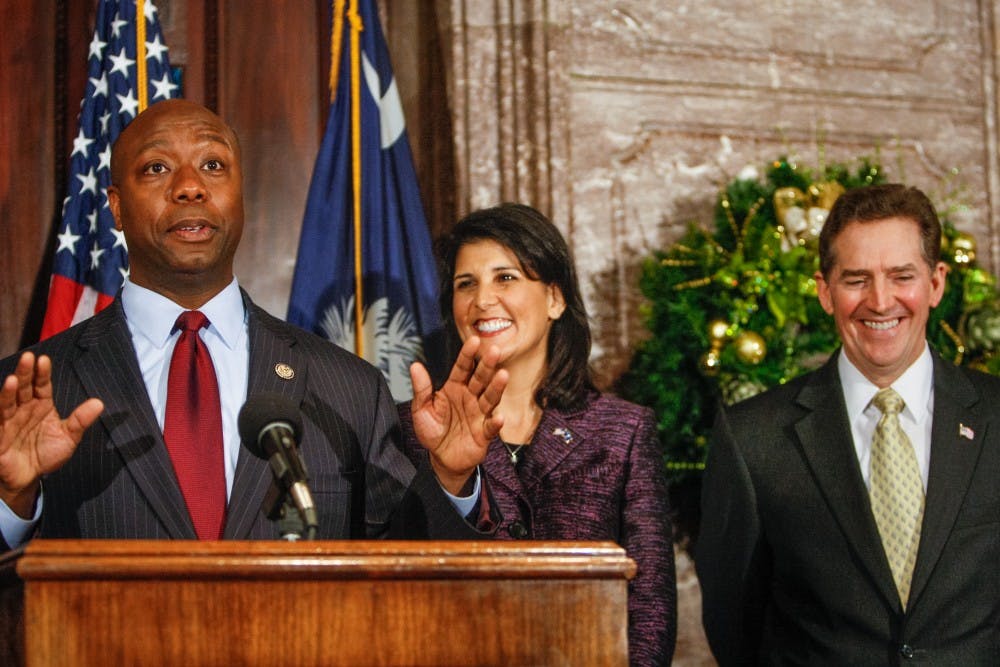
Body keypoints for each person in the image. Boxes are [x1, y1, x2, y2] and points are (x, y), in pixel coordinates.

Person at [0, 99, 506, 546]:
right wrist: (11, 500)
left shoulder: (349, 388)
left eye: (213, 165)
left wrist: (449, 477)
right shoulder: (29, 394)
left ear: (241, 194)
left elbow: (401, 575)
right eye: (157, 168)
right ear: (115, 206)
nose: (191, 187)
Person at [696, 183, 1000, 664]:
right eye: (857, 279)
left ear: (936, 283)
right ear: (824, 290)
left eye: (902, 276)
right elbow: (735, 624)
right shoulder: (753, 437)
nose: (880, 302)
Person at [400, 203, 676, 665]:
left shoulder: (622, 431)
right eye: (466, 284)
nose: (483, 300)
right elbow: (393, 590)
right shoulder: (412, 429)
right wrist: (450, 478)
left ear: (555, 298)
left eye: (505, 278)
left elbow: (650, 613)